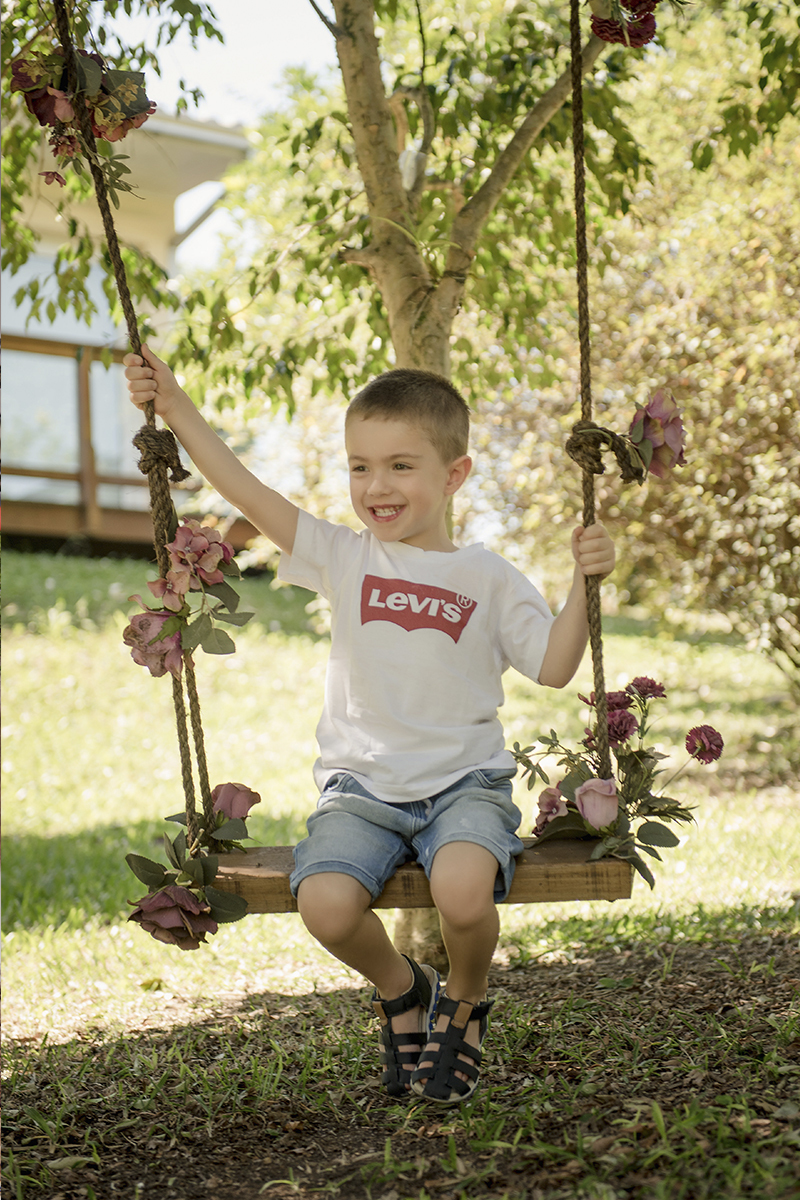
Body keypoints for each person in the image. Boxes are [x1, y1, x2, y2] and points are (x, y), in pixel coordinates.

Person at [124, 346, 616, 1105]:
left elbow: (554, 667)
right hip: (361, 789)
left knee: (461, 895)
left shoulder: (487, 576)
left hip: (465, 786)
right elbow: (243, 489)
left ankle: (466, 993)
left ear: (455, 475)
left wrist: (585, 586)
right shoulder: (343, 557)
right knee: (323, 903)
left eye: (400, 466)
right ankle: (402, 986)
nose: (376, 487)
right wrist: (176, 405)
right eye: (360, 467)